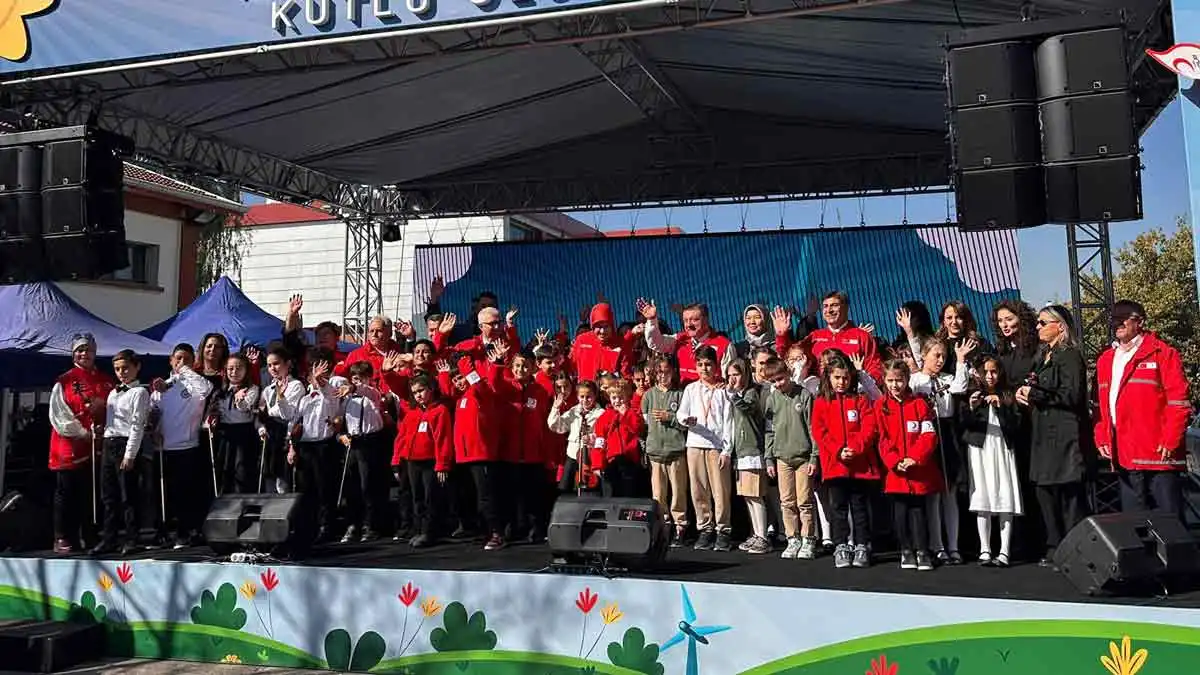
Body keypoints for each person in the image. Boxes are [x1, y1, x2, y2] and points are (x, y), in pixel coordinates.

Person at [1094, 300, 1191, 516]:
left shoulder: (1163, 353)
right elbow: (1101, 406)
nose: (1117, 323)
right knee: (1135, 526)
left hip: (1159, 457)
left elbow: (1179, 402)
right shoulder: (1105, 360)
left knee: (1169, 526)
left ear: (1140, 322)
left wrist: (1171, 439)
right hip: (1125, 458)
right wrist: (1102, 436)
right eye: (1114, 318)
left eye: (1123, 318)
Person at [1016, 305, 1090, 567]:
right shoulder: (1042, 356)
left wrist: (1035, 394)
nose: (1037, 327)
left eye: (1043, 322)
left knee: (1068, 495)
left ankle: (1074, 549)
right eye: (1037, 322)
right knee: (1045, 491)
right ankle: (1054, 544)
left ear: (1060, 326)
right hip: (1042, 433)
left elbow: (1072, 395)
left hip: (1064, 434)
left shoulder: (1069, 356)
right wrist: (1024, 393)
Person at [909, 337, 975, 565]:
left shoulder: (948, 378)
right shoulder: (916, 380)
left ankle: (954, 546)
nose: (940, 360)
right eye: (936, 355)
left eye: (943, 356)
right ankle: (937, 545)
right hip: (926, 433)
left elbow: (960, 387)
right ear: (924, 355)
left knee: (950, 492)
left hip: (947, 433)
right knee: (933, 494)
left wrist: (960, 361)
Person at [810, 353, 880, 568]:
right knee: (838, 507)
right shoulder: (821, 402)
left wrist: (855, 448)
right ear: (829, 378)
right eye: (837, 377)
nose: (842, 382)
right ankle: (841, 545)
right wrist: (838, 450)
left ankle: (862, 545)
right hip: (835, 465)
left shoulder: (860, 400)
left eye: (846, 378)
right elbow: (819, 431)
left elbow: (869, 428)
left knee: (859, 507)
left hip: (859, 465)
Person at [48, 333, 114, 554]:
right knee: (66, 492)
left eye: (88, 350)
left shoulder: (106, 380)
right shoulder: (64, 381)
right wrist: (82, 432)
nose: (84, 354)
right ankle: (62, 536)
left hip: (97, 445)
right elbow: (59, 414)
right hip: (69, 445)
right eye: (80, 350)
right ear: (73, 354)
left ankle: (90, 534)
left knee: (91, 492)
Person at [875, 359, 938, 572]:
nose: (895, 385)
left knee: (918, 511)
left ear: (907, 379)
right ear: (884, 381)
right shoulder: (881, 406)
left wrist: (915, 458)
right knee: (900, 512)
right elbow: (882, 439)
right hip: (896, 472)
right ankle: (906, 550)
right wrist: (895, 461)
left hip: (917, 470)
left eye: (899, 380)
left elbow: (928, 434)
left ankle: (922, 550)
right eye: (890, 381)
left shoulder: (919, 404)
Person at [151, 343, 215, 549]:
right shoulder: (162, 385)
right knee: (163, 494)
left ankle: (185, 533)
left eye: (187, 359)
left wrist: (186, 370)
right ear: (170, 360)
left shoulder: (195, 383)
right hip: (163, 448)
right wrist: (153, 429)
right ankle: (162, 532)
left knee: (186, 494)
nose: (181, 362)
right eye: (178, 358)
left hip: (187, 446)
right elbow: (154, 410)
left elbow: (206, 389)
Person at [964, 355, 1023, 567]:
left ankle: (1004, 550)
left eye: (994, 371)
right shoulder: (972, 393)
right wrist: (971, 407)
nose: (989, 376)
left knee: (1005, 495)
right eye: (985, 372)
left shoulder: (1008, 394)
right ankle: (985, 549)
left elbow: (1016, 425)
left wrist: (1001, 406)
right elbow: (964, 425)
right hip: (979, 450)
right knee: (982, 497)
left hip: (1002, 449)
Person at [92, 350, 151, 556]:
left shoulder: (140, 392)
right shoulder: (113, 393)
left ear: (137, 367)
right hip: (109, 442)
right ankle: (109, 538)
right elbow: (112, 420)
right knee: (108, 495)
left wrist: (130, 454)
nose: (121, 373)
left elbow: (137, 425)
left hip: (125, 444)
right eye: (117, 369)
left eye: (125, 368)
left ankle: (132, 538)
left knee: (128, 494)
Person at [676, 346, 734, 551]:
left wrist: (727, 450)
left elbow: (729, 421)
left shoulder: (723, 391)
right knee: (698, 490)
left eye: (708, 364)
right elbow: (681, 413)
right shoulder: (691, 389)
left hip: (716, 446)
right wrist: (686, 420)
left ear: (716, 366)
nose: (704, 368)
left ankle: (723, 529)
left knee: (720, 490)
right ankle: (705, 528)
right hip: (695, 444)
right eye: (700, 364)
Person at [493, 349, 554, 541]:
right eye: (517, 365)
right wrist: (497, 363)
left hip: (533, 453)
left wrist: (546, 454)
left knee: (534, 495)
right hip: (509, 453)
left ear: (533, 367)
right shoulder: (506, 387)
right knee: (510, 495)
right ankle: (511, 528)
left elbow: (544, 423)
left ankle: (536, 528)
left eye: (525, 366)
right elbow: (493, 382)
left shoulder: (540, 391)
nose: (521, 369)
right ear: (512, 367)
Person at [763, 356, 819, 560]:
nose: (778, 384)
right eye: (774, 381)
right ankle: (792, 538)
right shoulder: (772, 399)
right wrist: (769, 458)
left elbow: (812, 428)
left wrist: (814, 457)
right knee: (786, 501)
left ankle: (808, 539)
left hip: (803, 457)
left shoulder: (804, 395)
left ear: (788, 373)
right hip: (782, 458)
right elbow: (769, 430)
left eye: (781, 378)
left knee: (804, 500)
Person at [451, 349, 506, 551]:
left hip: (482, 455)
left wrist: (465, 363)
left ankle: (497, 533)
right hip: (464, 457)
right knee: (473, 497)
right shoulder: (460, 399)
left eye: (461, 378)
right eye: (455, 379)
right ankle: (483, 531)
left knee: (486, 497)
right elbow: (445, 389)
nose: (459, 382)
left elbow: (477, 382)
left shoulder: (481, 393)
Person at [289, 350, 347, 543]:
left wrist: (321, 381)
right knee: (305, 490)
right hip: (305, 447)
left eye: (322, 373)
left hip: (324, 446)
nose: (317, 377)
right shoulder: (304, 399)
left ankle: (327, 527)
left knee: (325, 488)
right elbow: (294, 424)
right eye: (313, 373)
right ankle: (307, 527)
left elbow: (329, 395)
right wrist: (292, 447)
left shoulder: (331, 393)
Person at [393, 373, 452, 548]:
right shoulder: (412, 413)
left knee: (429, 497)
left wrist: (442, 464)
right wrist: (396, 460)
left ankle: (429, 532)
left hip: (430, 461)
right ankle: (418, 530)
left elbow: (443, 440)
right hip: (412, 461)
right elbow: (402, 438)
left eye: (421, 390)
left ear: (431, 389)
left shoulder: (440, 411)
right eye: (415, 392)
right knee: (416, 497)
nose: (418, 395)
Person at [776, 292, 883, 382]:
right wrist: (782, 335)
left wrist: (863, 387)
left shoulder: (862, 336)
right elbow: (789, 356)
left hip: (853, 396)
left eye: (834, 305)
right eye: (825, 306)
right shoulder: (815, 337)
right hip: (822, 396)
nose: (829, 310)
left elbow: (875, 368)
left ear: (845, 308)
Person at [338, 361, 388, 543]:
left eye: (361, 379)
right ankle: (353, 524)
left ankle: (371, 524)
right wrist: (341, 434)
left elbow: (364, 390)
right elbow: (340, 420)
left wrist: (353, 387)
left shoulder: (372, 393)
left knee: (369, 485)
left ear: (369, 379)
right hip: (352, 442)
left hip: (369, 441)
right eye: (354, 379)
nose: (357, 382)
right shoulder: (347, 399)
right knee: (352, 485)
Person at [724, 359, 770, 554]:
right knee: (748, 496)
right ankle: (756, 533)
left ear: (745, 374)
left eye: (736, 374)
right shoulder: (738, 394)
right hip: (741, 452)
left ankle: (763, 536)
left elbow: (748, 409)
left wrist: (733, 395)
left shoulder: (751, 393)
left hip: (753, 451)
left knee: (756, 495)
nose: (732, 379)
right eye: (729, 375)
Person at [642, 355, 689, 545]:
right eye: (659, 372)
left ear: (673, 372)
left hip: (676, 451)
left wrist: (669, 417)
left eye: (666, 371)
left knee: (678, 492)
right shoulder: (649, 395)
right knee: (658, 494)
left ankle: (680, 526)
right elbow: (645, 423)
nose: (663, 376)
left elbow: (686, 423)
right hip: (655, 453)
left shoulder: (680, 394)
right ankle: (663, 525)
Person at [640, 300, 733, 384]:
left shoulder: (724, 344)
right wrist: (652, 320)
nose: (688, 325)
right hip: (685, 395)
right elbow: (656, 343)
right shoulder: (680, 338)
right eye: (685, 320)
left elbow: (731, 379)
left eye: (694, 320)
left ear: (706, 320)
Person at [210, 352, 261, 495]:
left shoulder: (252, 389)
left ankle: (242, 500)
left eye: (239, 368)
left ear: (246, 370)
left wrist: (240, 400)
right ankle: (224, 500)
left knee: (242, 469)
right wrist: (213, 419)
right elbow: (215, 411)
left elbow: (245, 407)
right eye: (230, 368)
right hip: (225, 433)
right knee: (225, 468)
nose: (234, 372)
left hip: (244, 432)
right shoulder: (221, 391)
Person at [257, 347, 305, 494]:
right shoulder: (268, 389)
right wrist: (261, 426)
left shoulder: (296, 385)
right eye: (269, 365)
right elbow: (262, 413)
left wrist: (281, 397)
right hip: (270, 435)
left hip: (285, 434)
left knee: (283, 481)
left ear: (287, 364)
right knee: (269, 477)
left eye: (276, 363)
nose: (273, 368)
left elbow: (287, 414)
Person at [590, 379, 646, 498]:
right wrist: (597, 464)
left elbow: (637, 429)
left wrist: (626, 414)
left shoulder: (633, 414)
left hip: (630, 461)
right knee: (611, 495)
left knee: (629, 495)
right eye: (614, 398)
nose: (617, 401)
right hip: (611, 462)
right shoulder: (604, 417)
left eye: (621, 398)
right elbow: (600, 442)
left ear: (627, 398)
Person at [548, 380, 605, 494]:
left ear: (595, 396)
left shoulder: (601, 413)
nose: (585, 400)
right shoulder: (574, 411)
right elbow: (556, 426)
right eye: (582, 397)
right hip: (573, 455)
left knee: (588, 489)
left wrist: (591, 438)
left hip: (590, 458)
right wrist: (555, 408)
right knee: (565, 488)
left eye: (589, 397)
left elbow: (603, 435)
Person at [569, 303, 638, 381]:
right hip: (586, 387)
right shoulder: (582, 340)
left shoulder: (620, 343)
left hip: (610, 388)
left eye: (606, 326)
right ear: (592, 326)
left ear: (612, 326)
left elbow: (626, 373)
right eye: (599, 326)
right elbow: (571, 365)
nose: (602, 331)